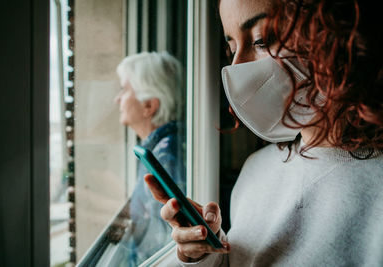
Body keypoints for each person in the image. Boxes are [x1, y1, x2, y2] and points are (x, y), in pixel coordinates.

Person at [145, 0, 383, 266]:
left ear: (337, 36)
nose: (238, 67)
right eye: (232, 47)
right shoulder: (256, 171)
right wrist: (201, 254)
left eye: (262, 40)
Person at [114, 51, 186, 266]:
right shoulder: (158, 150)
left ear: (149, 106)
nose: (117, 99)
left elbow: (160, 243)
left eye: (124, 90)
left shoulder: (164, 159)